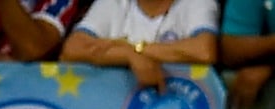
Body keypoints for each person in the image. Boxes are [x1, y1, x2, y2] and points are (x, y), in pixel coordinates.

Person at [58, 0, 215, 91]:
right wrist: (128, 56)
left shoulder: (196, 3)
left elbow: (204, 51)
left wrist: (133, 48)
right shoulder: (112, 3)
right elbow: (72, 49)